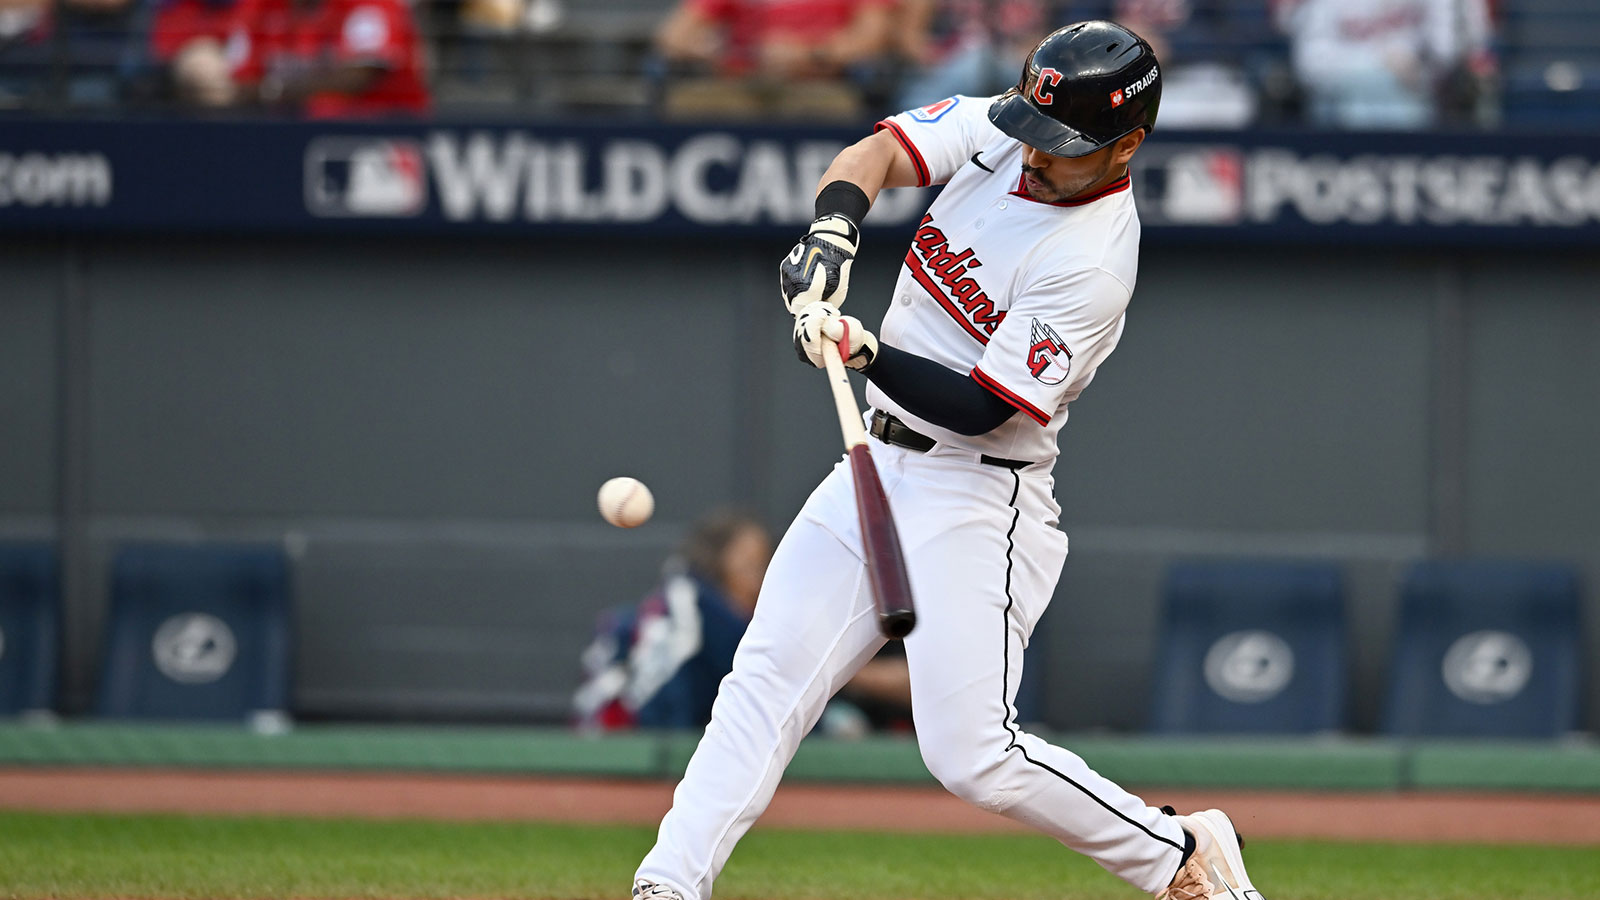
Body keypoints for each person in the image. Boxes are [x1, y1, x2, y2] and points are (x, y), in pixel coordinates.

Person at [631, 20, 1266, 900]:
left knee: (973, 757)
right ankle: (668, 883)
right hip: (876, 465)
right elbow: (877, 152)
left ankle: (1176, 854)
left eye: (1064, 147)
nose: (1035, 158)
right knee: (765, 677)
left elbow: (982, 406)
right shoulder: (1007, 133)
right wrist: (832, 233)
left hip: (979, 496)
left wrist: (862, 350)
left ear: (1129, 145)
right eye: (1034, 132)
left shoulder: (1092, 260)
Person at [575, 510, 911, 733]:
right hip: (645, 734)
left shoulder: (702, 600)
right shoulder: (701, 604)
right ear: (717, 566)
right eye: (750, 565)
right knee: (841, 726)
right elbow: (775, 677)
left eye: (763, 564)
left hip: (675, 730)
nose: (761, 577)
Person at [652, 0, 895, 119]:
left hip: (818, 86)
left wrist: (807, 53)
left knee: (831, 110)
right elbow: (673, 36)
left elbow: (871, 40)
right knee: (688, 103)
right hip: (736, 84)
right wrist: (718, 50)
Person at [1276, 0, 1495, 129]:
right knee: (1366, 95)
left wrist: (1418, 67)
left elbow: (1452, 50)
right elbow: (1309, 64)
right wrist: (1381, 62)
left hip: (1418, 96)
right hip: (1340, 105)